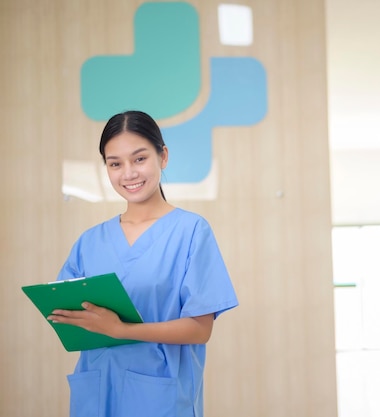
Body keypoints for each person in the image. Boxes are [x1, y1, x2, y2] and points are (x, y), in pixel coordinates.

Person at [47, 110, 239, 417]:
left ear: (162, 156)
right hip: (97, 393)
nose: (129, 173)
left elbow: (200, 330)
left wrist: (120, 329)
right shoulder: (90, 241)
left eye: (139, 159)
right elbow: (68, 316)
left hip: (160, 398)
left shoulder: (190, 231)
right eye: (115, 164)